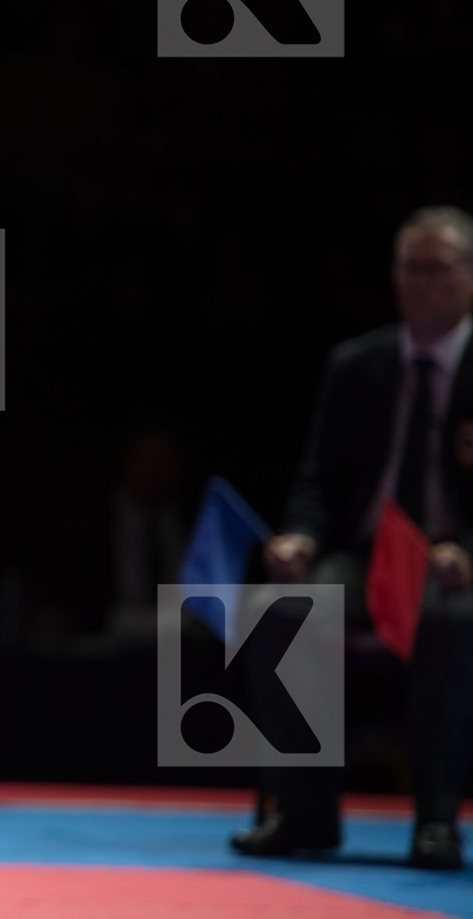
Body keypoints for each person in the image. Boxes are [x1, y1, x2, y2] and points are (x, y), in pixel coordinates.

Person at [233, 205, 473, 870]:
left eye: (438, 269)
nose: (422, 283)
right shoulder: (356, 364)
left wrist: (465, 553)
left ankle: (436, 822)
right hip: (366, 559)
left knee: (451, 622)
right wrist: (301, 539)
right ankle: (304, 812)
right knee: (279, 609)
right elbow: (317, 478)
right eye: (410, 268)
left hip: (450, 569)